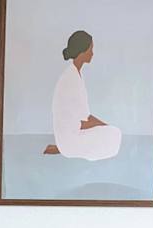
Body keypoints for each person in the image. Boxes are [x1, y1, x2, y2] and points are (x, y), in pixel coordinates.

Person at [51, 31, 121, 161]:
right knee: (114, 134)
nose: (92, 53)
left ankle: (64, 148)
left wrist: (104, 126)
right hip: (70, 139)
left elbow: (86, 116)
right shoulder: (70, 79)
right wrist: (104, 128)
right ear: (82, 51)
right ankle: (67, 150)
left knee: (113, 131)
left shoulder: (75, 74)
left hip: (70, 137)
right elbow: (80, 122)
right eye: (90, 49)